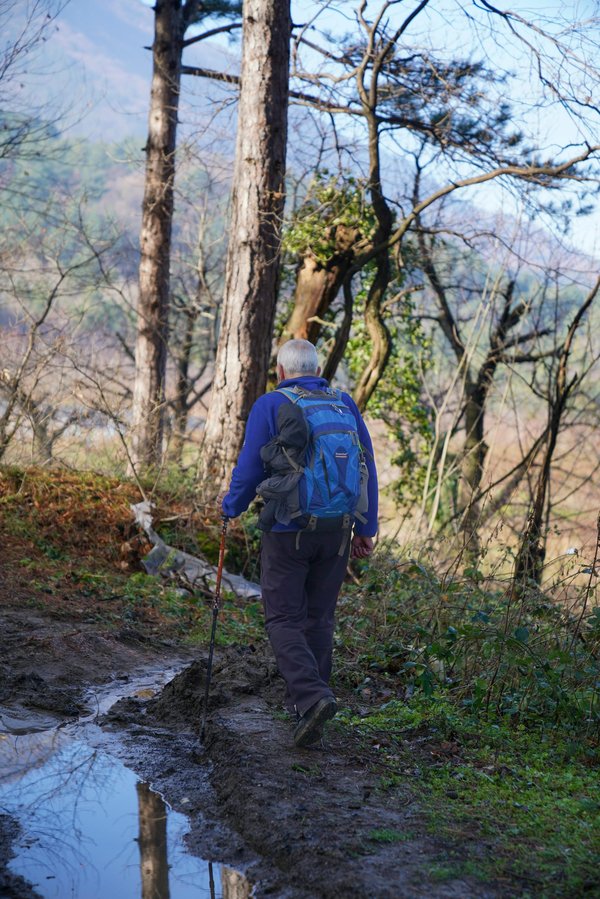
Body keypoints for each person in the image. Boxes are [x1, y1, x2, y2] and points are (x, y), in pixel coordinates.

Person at [222, 339, 378, 747]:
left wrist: (231, 508)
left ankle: (311, 699)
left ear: (280, 370)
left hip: (289, 530)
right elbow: (367, 464)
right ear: (316, 367)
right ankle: (309, 709)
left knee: (283, 618)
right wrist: (366, 526)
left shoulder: (271, 404)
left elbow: (250, 466)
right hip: (338, 528)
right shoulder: (344, 403)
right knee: (319, 619)